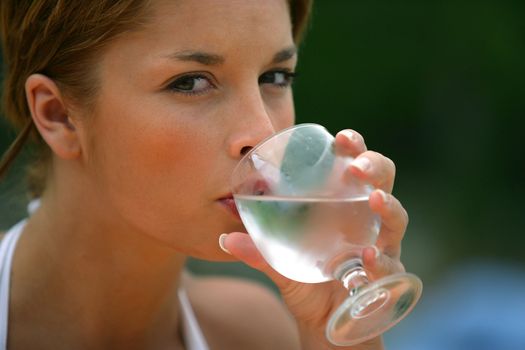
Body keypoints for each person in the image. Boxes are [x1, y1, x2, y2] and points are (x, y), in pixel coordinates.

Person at [0, 1, 410, 349]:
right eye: (191, 82)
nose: (265, 132)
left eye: (275, 77)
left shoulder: (255, 335)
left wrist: (334, 334)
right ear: (58, 117)